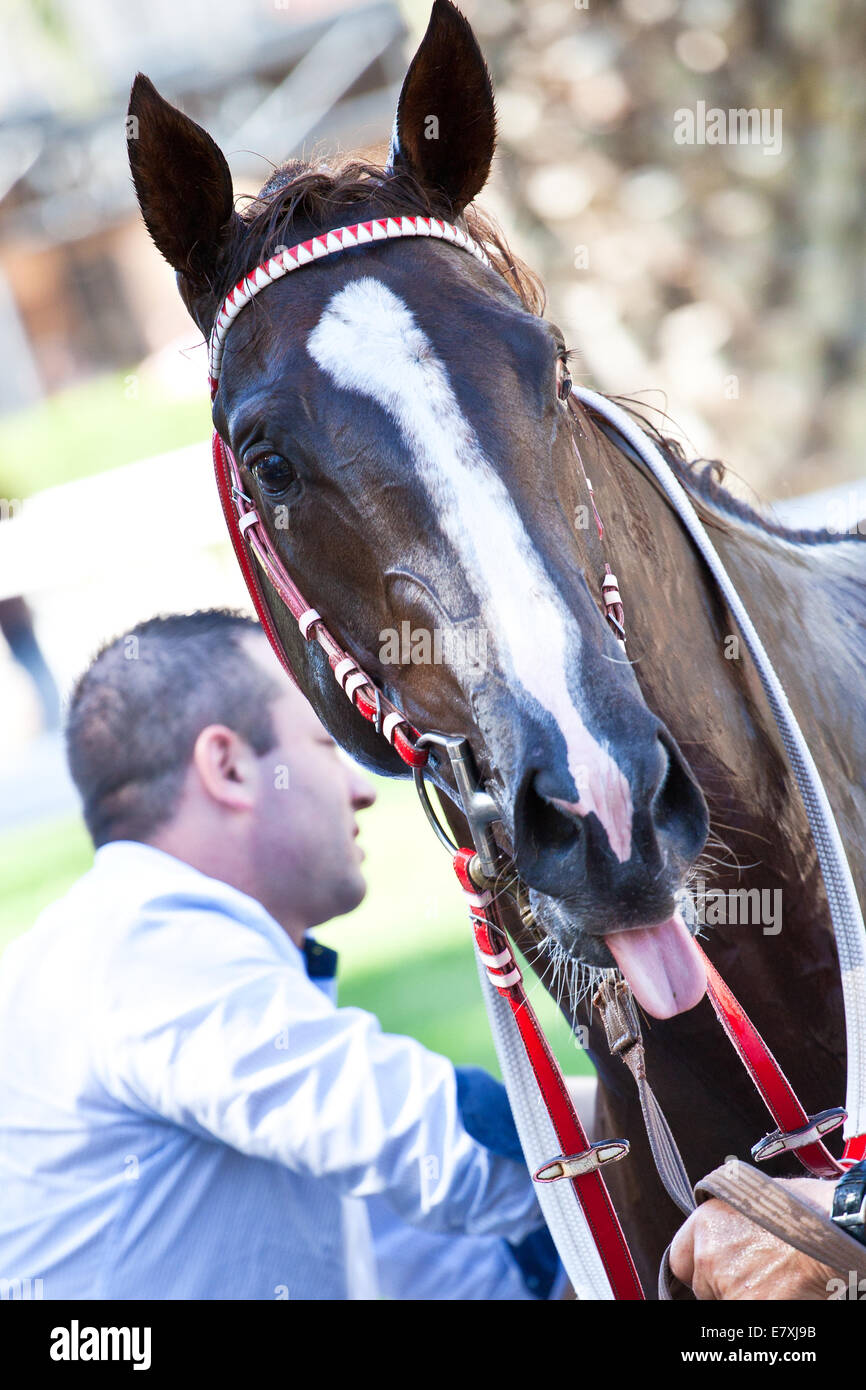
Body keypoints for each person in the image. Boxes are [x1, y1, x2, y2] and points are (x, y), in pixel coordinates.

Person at [0, 609, 564, 1301]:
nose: (363, 790)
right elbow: (446, 1150)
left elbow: (440, 1271)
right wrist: (670, 1121)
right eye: (327, 745)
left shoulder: (122, 958)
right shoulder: (144, 945)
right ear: (229, 766)